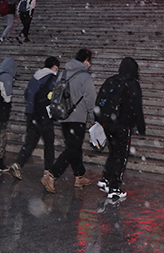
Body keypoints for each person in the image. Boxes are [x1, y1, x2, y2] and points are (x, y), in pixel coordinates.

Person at [41, 49, 97, 193]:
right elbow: (91, 100)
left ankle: (79, 175)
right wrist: (94, 118)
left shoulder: (63, 74)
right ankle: (52, 175)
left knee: (74, 147)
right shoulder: (85, 77)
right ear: (86, 61)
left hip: (64, 116)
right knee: (72, 148)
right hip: (78, 118)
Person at [96, 57, 146, 201]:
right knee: (121, 155)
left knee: (113, 152)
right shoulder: (132, 84)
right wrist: (140, 126)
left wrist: (99, 120)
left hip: (108, 123)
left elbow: (99, 101)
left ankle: (106, 179)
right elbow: (137, 106)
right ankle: (114, 188)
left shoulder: (111, 81)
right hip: (122, 124)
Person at [7, 56, 60, 181]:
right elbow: (54, 97)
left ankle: (18, 164)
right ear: (54, 67)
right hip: (44, 115)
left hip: (31, 113)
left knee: (30, 142)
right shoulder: (52, 79)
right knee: (49, 143)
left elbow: (27, 94)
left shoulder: (35, 77)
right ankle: (48, 171)